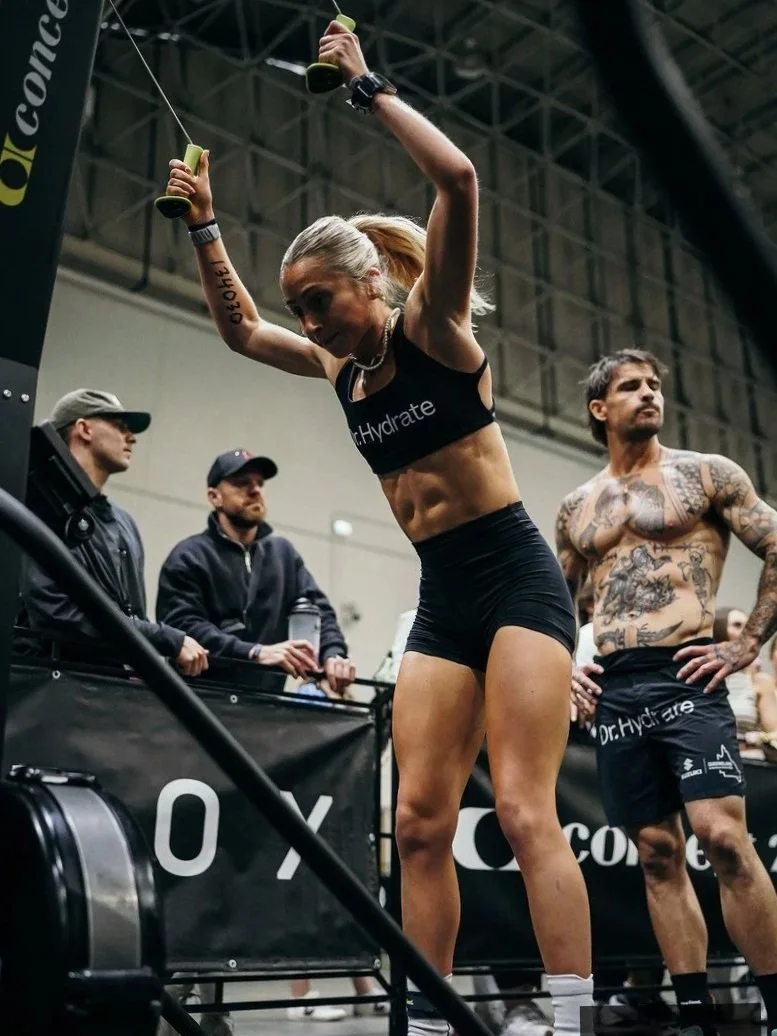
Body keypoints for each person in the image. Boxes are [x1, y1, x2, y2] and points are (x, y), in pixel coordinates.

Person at [162, 19, 593, 1036]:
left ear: (370, 285)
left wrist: (366, 86)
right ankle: (434, 1015)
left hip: (519, 576)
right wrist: (204, 226)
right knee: (417, 822)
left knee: (528, 810)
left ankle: (570, 1016)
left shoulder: (435, 333)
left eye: (320, 304)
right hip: (444, 591)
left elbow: (461, 182)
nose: (309, 325)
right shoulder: (334, 365)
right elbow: (235, 330)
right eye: (300, 311)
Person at [555, 348, 777, 1036]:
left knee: (723, 840)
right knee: (655, 850)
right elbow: (550, 601)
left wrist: (744, 646)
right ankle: (693, 1015)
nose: (648, 394)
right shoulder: (575, 507)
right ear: (600, 409)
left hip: (687, 672)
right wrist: (564, 664)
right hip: (617, 688)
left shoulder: (705, 475)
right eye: (630, 387)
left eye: (653, 385)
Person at [18, 389, 208, 678]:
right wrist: (163, 638)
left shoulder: (123, 523)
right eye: (120, 427)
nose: (131, 438)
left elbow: (134, 614)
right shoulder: (37, 508)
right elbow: (57, 615)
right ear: (84, 429)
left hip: (109, 698)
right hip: (50, 690)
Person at [156, 448, 355, 696]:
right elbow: (185, 628)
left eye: (260, 483)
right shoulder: (189, 556)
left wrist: (333, 654)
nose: (255, 490)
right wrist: (254, 653)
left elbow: (318, 612)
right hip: (201, 706)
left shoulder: (283, 555)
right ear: (214, 496)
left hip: (266, 707)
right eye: (241, 483)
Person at [712, 606, 777, 759]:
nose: (745, 632)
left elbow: (775, 732)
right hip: (704, 758)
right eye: (737, 625)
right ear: (719, 629)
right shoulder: (699, 676)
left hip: (746, 761)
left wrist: (761, 738)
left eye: (749, 627)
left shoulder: (759, 681)